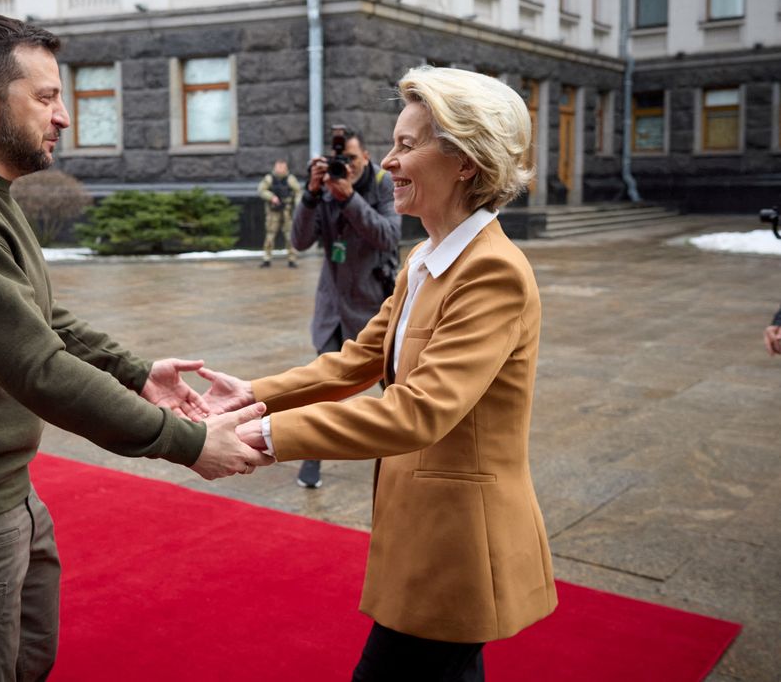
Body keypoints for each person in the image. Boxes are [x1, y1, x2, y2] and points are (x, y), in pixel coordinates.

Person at [0, 14, 271, 682]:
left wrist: (137, 372)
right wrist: (188, 443)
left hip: (0, 494)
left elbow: (43, 318)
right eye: (48, 97)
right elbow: (40, 369)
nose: (65, 118)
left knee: (27, 662)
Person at [200, 66, 557, 680]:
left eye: (407, 145)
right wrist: (252, 395)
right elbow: (358, 360)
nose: (387, 161)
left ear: (467, 162)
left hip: (459, 544)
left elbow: (418, 410)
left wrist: (268, 437)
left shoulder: (492, 271)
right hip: (421, 530)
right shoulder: (426, 256)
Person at [290, 127, 401, 489]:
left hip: (374, 303)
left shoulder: (383, 184)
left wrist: (350, 197)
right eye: (340, 161)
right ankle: (311, 458)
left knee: (394, 385)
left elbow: (388, 235)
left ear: (366, 157)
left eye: (351, 159)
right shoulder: (324, 188)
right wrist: (311, 195)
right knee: (321, 384)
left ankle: (406, 454)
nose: (345, 167)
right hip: (333, 304)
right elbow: (300, 240)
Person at [257, 158, 303, 268]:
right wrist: (272, 197)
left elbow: (298, 191)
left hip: (287, 210)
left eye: (283, 167)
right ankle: (267, 259)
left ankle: (292, 259)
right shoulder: (269, 178)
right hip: (273, 211)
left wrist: (297, 205)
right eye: (279, 166)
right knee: (270, 235)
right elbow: (261, 190)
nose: (280, 169)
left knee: (289, 235)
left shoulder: (290, 179)